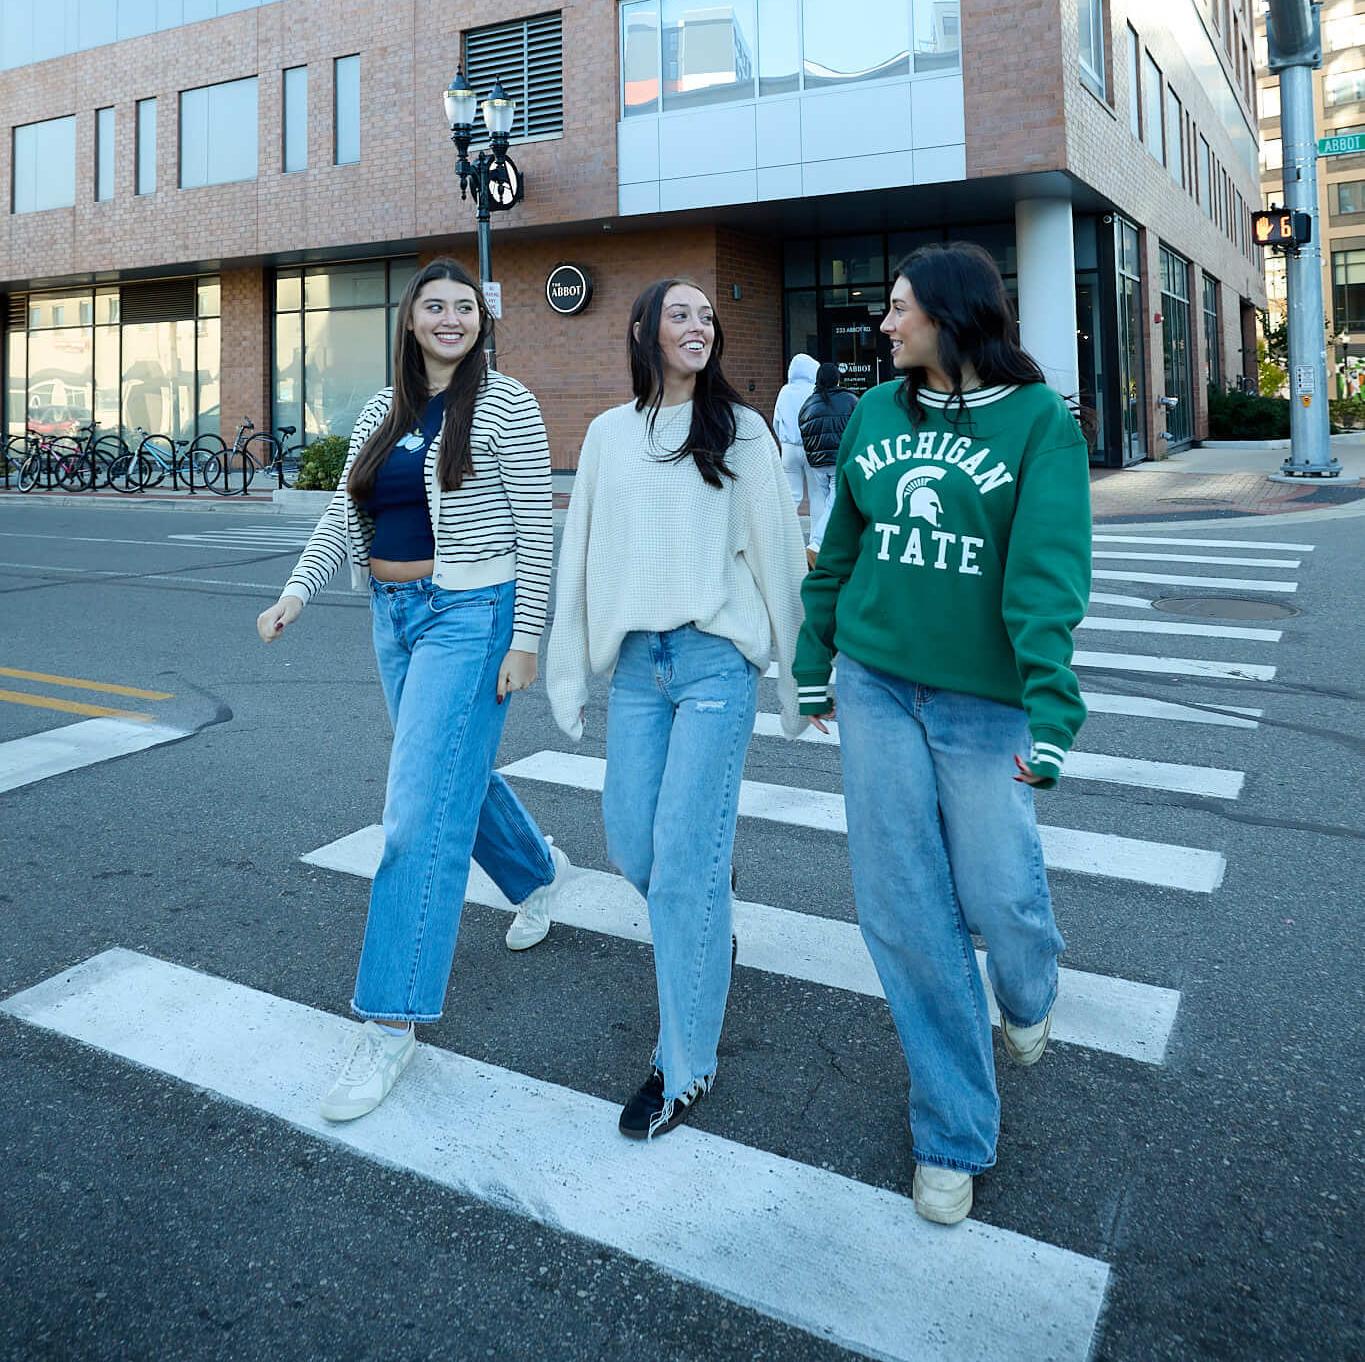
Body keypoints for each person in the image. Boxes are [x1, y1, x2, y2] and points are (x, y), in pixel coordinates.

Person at [793, 242, 1091, 1227]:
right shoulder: (878, 412)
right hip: (875, 681)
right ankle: (953, 1130)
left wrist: (1051, 705)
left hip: (983, 700)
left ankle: (1028, 984)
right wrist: (812, 654)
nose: (884, 323)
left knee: (1000, 892)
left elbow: (1047, 568)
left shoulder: (1038, 422)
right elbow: (842, 546)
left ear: (952, 315)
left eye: (899, 307)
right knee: (904, 909)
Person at [256, 257, 573, 1125]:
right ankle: (539, 872)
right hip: (393, 616)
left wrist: (527, 639)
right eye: (434, 306)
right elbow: (344, 513)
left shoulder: (505, 403)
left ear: (481, 321)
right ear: (410, 319)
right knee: (446, 771)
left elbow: (534, 526)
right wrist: (296, 592)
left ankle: (390, 1021)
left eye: (464, 307)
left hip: (471, 614)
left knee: (417, 810)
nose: (450, 318)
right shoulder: (381, 409)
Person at [545, 278, 808, 1140]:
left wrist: (802, 677)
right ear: (642, 332)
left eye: (706, 315)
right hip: (636, 669)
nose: (698, 325)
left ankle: (683, 1065)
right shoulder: (608, 435)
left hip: (712, 666)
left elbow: (777, 555)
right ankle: (706, 910)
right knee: (634, 847)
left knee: (684, 866)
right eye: (679, 314)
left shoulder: (741, 430)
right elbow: (581, 557)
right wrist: (567, 674)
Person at [797, 360, 858, 558]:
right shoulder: (850, 399)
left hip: (817, 463)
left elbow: (803, 430)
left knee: (829, 503)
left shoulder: (808, 403)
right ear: (837, 379)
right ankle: (816, 543)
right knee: (834, 503)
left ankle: (831, 543)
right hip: (839, 460)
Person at [772, 353, 817, 519]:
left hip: (789, 447)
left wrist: (782, 442)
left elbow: (776, 421)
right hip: (811, 445)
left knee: (792, 494)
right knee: (816, 494)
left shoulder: (785, 391)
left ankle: (786, 530)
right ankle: (817, 534)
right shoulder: (815, 391)